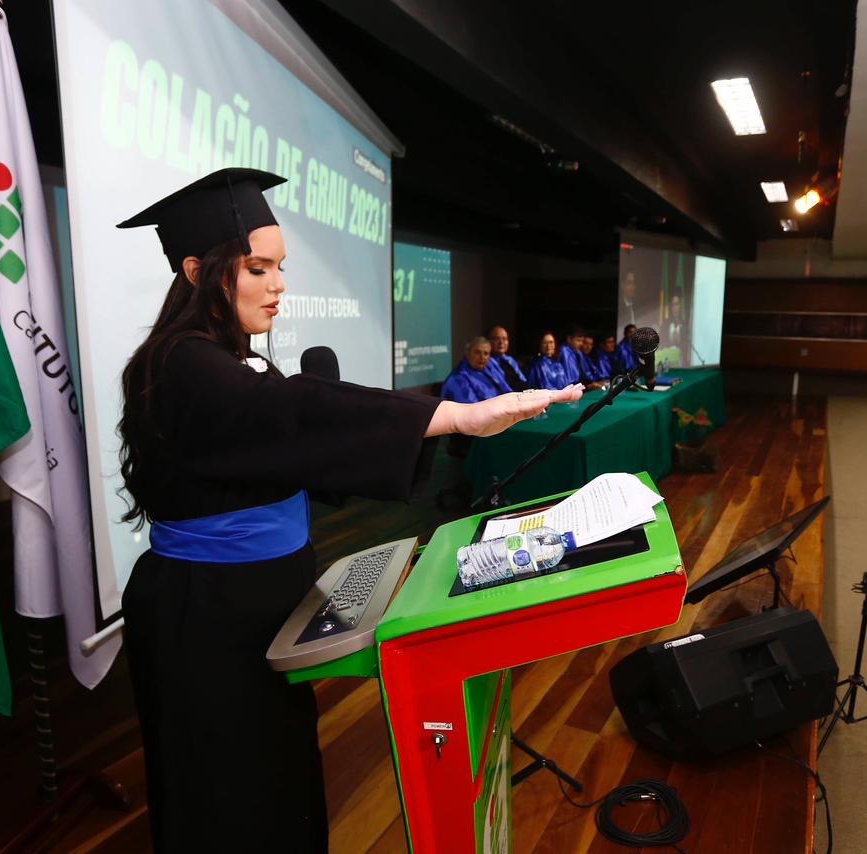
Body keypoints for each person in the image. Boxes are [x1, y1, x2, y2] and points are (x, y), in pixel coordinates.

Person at [113, 168, 581, 852]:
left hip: (257, 607)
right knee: (223, 794)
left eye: (281, 267)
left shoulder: (232, 360)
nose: (278, 284)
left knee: (275, 777)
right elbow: (297, 412)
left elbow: (287, 447)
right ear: (195, 271)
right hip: (206, 620)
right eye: (257, 267)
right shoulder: (183, 364)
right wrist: (454, 415)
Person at [440, 337, 510, 403]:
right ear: (467, 353)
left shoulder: (490, 369)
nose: (482, 357)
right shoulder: (458, 378)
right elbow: (472, 410)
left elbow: (507, 391)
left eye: (486, 353)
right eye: (477, 352)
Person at [486, 325, 528, 391]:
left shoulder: (510, 360)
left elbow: (522, 381)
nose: (501, 342)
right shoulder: (485, 362)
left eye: (504, 339)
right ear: (489, 341)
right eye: (497, 338)